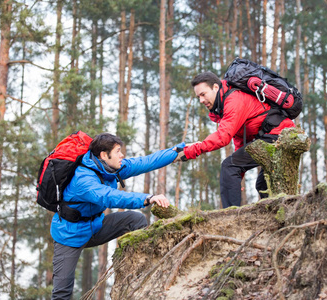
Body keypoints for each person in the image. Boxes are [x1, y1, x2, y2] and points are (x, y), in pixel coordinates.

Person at [51, 133, 184, 299]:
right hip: (69, 235)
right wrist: (147, 198)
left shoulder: (110, 168)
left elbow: (144, 162)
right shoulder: (83, 179)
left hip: (96, 227)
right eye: (118, 151)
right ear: (104, 155)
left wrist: (176, 152)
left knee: (136, 220)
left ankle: (139, 271)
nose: (122, 155)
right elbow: (110, 196)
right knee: (62, 292)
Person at [175, 71, 295, 208]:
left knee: (229, 166)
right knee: (262, 184)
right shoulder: (224, 104)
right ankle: (274, 216)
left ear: (215, 87)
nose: (201, 100)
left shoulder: (234, 100)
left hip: (279, 136)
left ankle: (230, 216)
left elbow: (222, 137)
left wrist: (190, 151)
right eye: (198, 97)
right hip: (273, 136)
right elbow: (240, 141)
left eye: (203, 94)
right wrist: (238, 176)